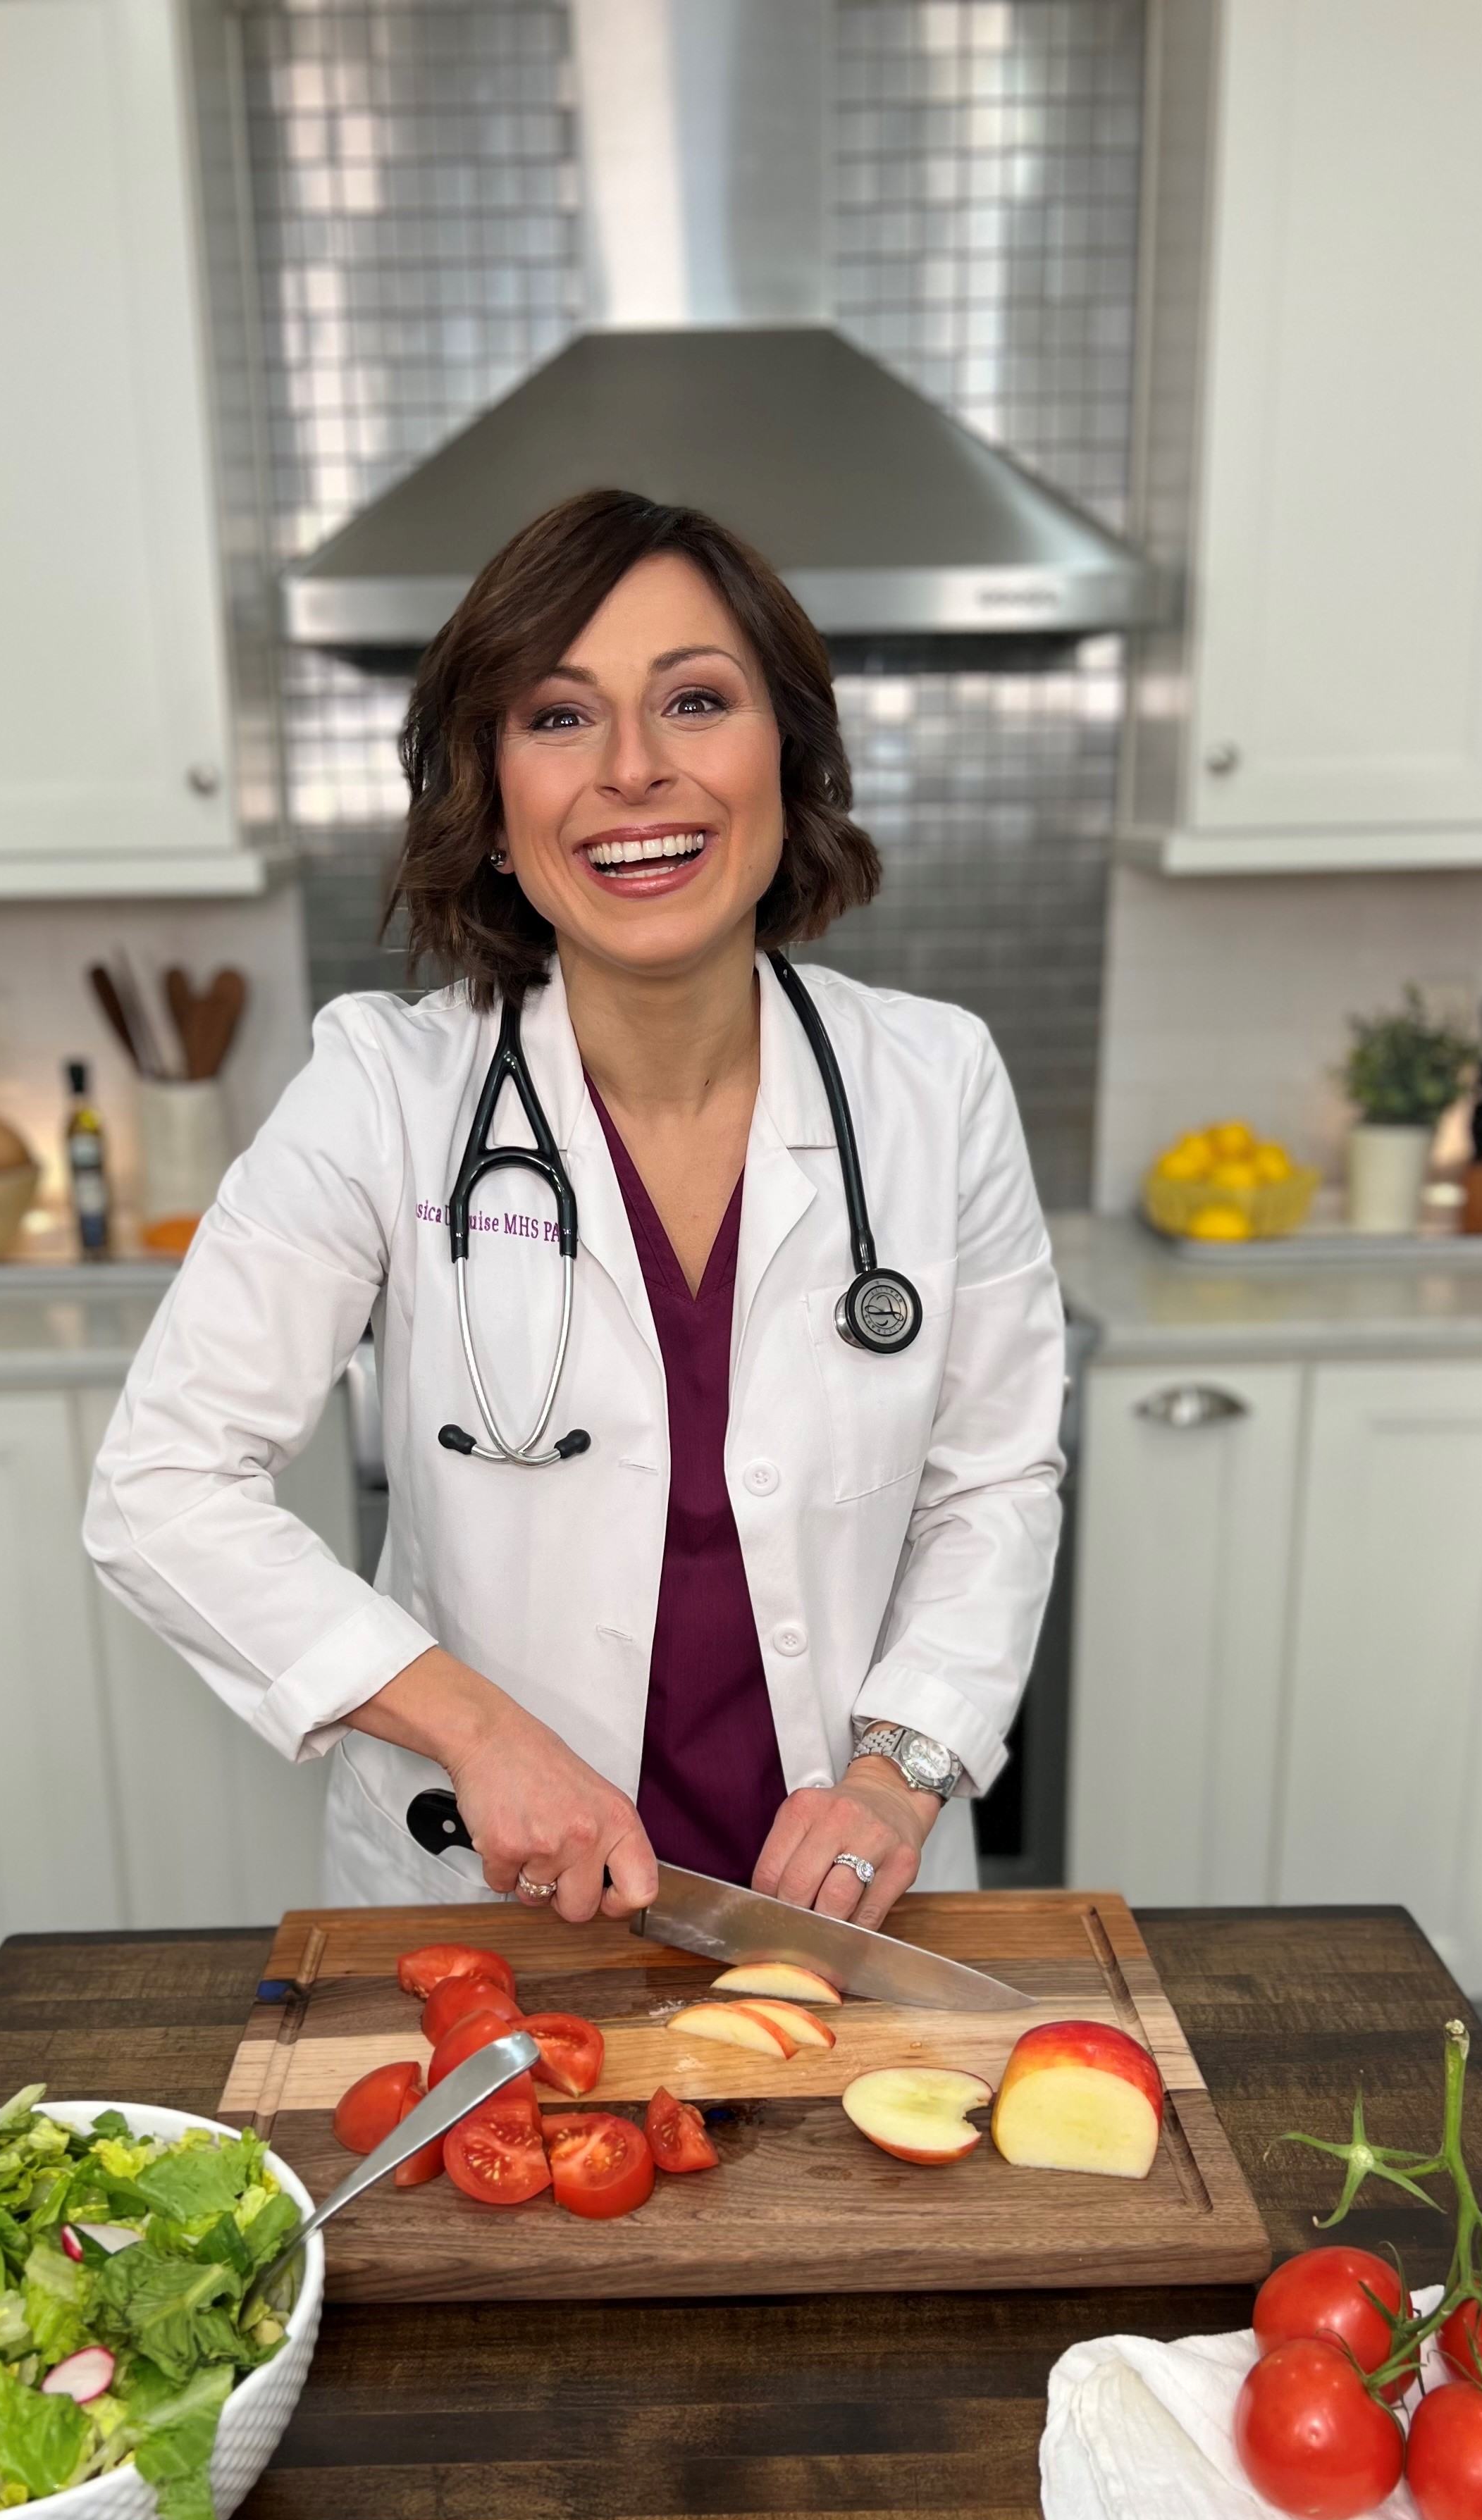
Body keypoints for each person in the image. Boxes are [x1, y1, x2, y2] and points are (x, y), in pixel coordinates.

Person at [85, 488, 1065, 1927]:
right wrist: (475, 1732)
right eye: (558, 717)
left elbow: (993, 1484)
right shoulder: (384, 1093)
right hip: (496, 1902)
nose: (633, 770)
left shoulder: (934, 1082)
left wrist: (897, 1773)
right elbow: (162, 1486)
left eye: (696, 700)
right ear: (489, 806)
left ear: (786, 757)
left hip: (852, 1893)